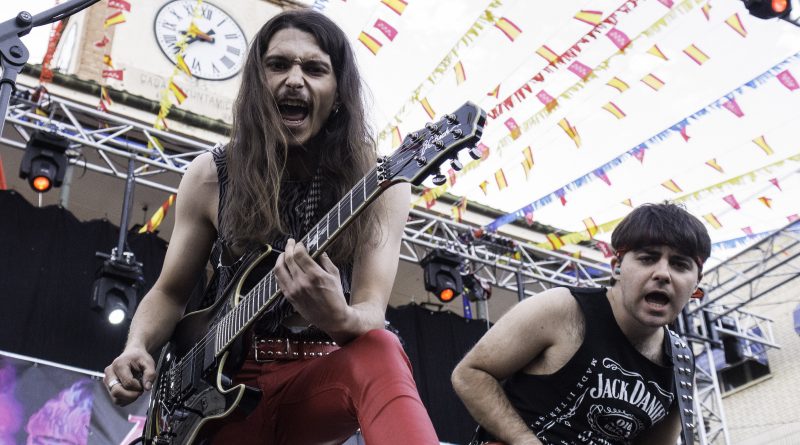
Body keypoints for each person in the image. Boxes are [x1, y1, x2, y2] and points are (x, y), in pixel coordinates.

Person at [103, 10, 439, 445]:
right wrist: (136, 346)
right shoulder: (211, 174)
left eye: (315, 69)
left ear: (339, 93)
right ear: (257, 84)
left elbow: (371, 310)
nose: (294, 80)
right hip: (216, 395)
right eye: (278, 65)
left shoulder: (380, 186)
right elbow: (170, 293)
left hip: (315, 383)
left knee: (383, 347)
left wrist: (339, 318)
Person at [452, 203, 711, 445]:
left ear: (696, 284)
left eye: (680, 265)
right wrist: (525, 441)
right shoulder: (563, 308)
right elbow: (470, 373)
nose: (663, 274)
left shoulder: (680, 363)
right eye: (647, 258)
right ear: (617, 267)